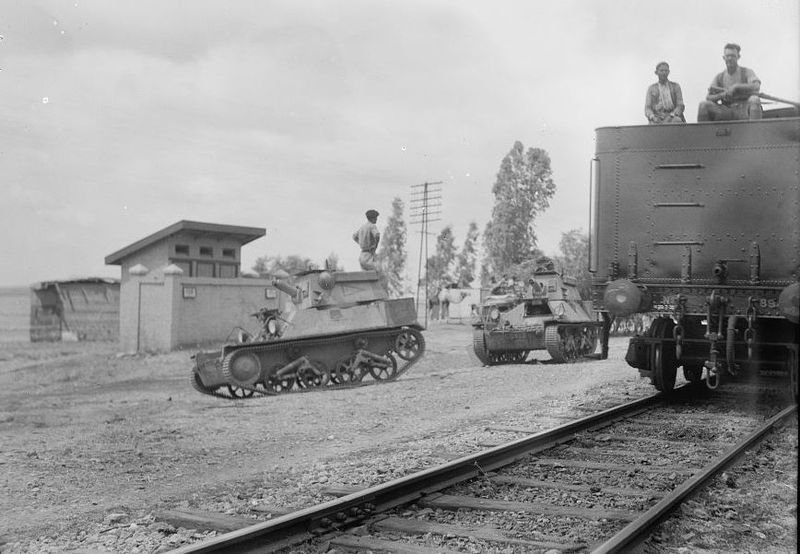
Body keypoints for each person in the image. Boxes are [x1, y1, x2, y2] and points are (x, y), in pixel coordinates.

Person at [697, 43, 762, 121]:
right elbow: (708, 97)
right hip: (726, 110)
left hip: (743, 109)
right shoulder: (719, 76)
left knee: (754, 100)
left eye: (733, 56)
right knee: (703, 105)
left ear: (738, 57)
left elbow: (756, 86)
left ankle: (755, 131)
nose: (730, 58)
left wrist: (737, 87)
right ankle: (704, 133)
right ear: (724, 58)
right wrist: (723, 95)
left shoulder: (746, 72)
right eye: (727, 56)